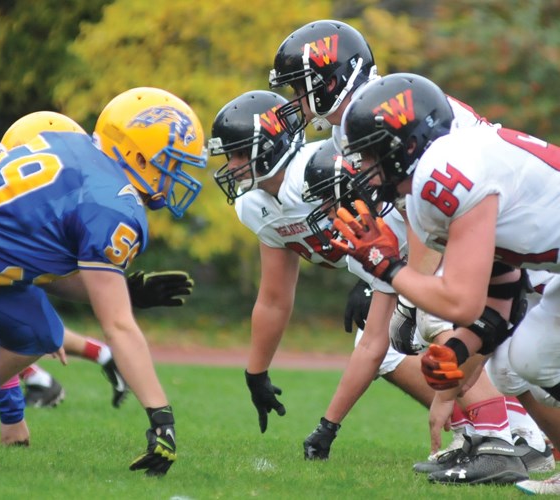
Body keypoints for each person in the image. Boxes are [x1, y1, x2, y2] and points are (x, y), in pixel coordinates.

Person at [269, 19, 551, 482]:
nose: (295, 102)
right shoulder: (361, 117)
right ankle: (495, 434)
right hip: (488, 231)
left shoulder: (384, 112)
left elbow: (430, 204)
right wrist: (386, 276)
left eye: (302, 88)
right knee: (505, 349)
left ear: (331, 81)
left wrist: (398, 278)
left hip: (499, 225)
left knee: (438, 319)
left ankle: (505, 435)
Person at [332, 71, 560, 490]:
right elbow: (501, 288)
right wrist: (458, 349)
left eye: (368, 155)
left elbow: (460, 303)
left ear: (405, 147)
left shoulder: (442, 174)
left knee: (528, 360)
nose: (361, 168)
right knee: (522, 362)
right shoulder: (435, 179)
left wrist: (387, 268)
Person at [0, 87, 207, 476]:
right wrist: (160, 417)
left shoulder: (71, 148)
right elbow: (117, 326)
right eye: (172, 163)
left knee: (39, 332)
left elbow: (42, 270)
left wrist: (123, 288)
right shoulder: (112, 201)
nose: (175, 177)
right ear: (138, 153)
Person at [208, 90, 434, 436]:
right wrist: (257, 372)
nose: (231, 165)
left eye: (238, 153)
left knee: (440, 333)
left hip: (428, 256)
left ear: (268, 146)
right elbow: (274, 297)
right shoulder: (255, 205)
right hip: (389, 275)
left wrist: (380, 278)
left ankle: (496, 430)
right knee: (383, 348)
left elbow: (405, 213)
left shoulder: (321, 168)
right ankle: (483, 425)